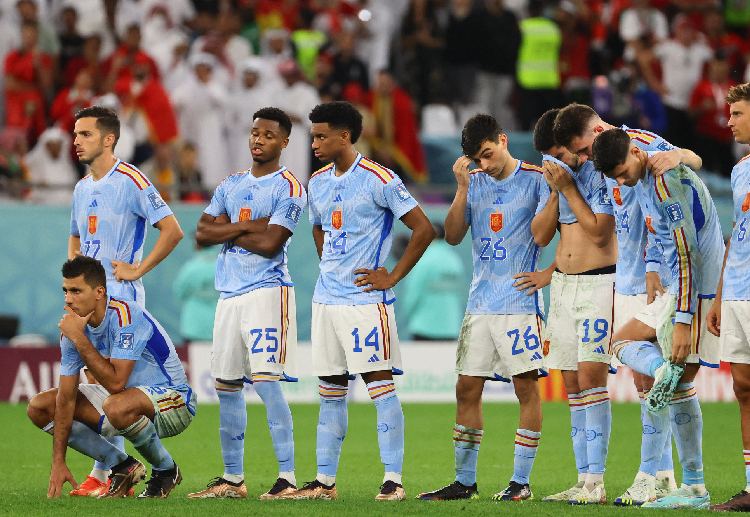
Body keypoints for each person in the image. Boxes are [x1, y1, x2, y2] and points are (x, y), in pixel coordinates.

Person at [551, 102, 705, 504]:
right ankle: (665, 477)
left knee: (656, 378)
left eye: (582, 150)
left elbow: (688, 163)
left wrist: (685, 154)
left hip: (656, 277)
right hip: (633, 274)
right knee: (645, 382)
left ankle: (653, 474)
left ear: (596, 130)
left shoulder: (638, 147)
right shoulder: (608, 159)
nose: (583, 160)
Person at [282, 101, 434, 501]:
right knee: (330, 389)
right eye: (312, 135)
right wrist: (330, 263)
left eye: (320, 136)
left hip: (366, 303)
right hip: (325, 300)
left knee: (378, 386)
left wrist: (392, 275)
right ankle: (324, 482)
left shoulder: (379, 178)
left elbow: (423, 229)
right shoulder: (316, 181)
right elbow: (317, 227)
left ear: (344, 136)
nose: (313, 143)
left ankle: (393, 480)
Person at [418, 114, 553, 502]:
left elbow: (549, 234)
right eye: (478, 159)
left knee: (525, 387)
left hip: (519, 303)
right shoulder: (473, 182)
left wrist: (548, 272)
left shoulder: (535, 178)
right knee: (466, 388)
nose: (485, 164)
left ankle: (520, 483)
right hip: (479, 303)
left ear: (503, 140)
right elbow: (454, 236)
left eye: (488, 154)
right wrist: (462, 187)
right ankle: (464, 482)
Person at [592, 127, 725, 509]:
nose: (622, 181)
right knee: (666, 375)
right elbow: (661, 233)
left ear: (635, 152)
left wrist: (684, 318)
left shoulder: (663, 181)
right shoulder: (645, 170)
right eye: (614, 178)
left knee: (635, 352)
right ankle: (693, 487)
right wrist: (652, 264)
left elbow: (687, 251)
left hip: (692, 287)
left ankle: (692, 486)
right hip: (676, 283)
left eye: (623, 172)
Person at [187, 107, 306, 500]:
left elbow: (272, 244)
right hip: (229, 294)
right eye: (255, 133)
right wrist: (249, 225)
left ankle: (287, 478)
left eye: (268, 135)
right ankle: (232, 479)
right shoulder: (231, 183)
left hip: (266, 292)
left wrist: (228, 230)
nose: (258, 140)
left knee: (266, 383)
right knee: (226, 386)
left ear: (284, 142)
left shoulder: (289, 187)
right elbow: (202, 233)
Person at [68, 105, 184, 496]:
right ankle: (112, 472)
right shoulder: (82, 187)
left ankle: (108, 474)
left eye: (84, 134)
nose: (76, 141)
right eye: (75, 134)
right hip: (89, 301)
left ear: (109, 139)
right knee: (96, 383)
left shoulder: (132, 180)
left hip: (120, 299)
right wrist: (73, 276)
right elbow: (75, 236)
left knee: (115, 388)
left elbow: (172, 230)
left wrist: (138, 268)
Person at [26, 256, 196, 498]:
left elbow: (116, 383)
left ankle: (166, 470)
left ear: (99, 292)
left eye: (76, 291)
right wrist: (58, 462)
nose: (68, 299)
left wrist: (79, 338)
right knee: (40, 407)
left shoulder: (126, 315)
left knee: (116, 404)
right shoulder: (73, 331)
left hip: (175, 401)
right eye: (65, 291)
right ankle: (123, 466)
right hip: (121, 402)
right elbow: (66, 400)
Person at [523, 107, 618, 505]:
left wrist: (569, 189)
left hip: (599, 283)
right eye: (553, 158)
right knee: (572, 383)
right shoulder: (559, 175)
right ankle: (583, 481)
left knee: (593, 376)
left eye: (562, 155)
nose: (560, 163)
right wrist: (555, 190)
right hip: (563, 287)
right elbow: (540, 236)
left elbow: (599, 235)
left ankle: (597, 481)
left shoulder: (600, 170)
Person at [707, 83, 750, 511]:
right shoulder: (740, 170)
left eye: (737, 113)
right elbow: (736, 236)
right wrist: (720, 295)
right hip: (737, 291)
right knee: (743, 386)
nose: (729, 121)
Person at [400, 222, 465, 341]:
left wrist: (407, 316)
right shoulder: (455, 260)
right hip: (451, 327)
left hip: (424, 327)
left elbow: (413, 295)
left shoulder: (423, 259)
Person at [172, 238, 218, 343]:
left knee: (195, 359)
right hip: (219, 326)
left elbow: (179, 292)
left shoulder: (190, 268)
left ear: (197, 245)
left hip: (193, 327)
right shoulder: (225, 266)